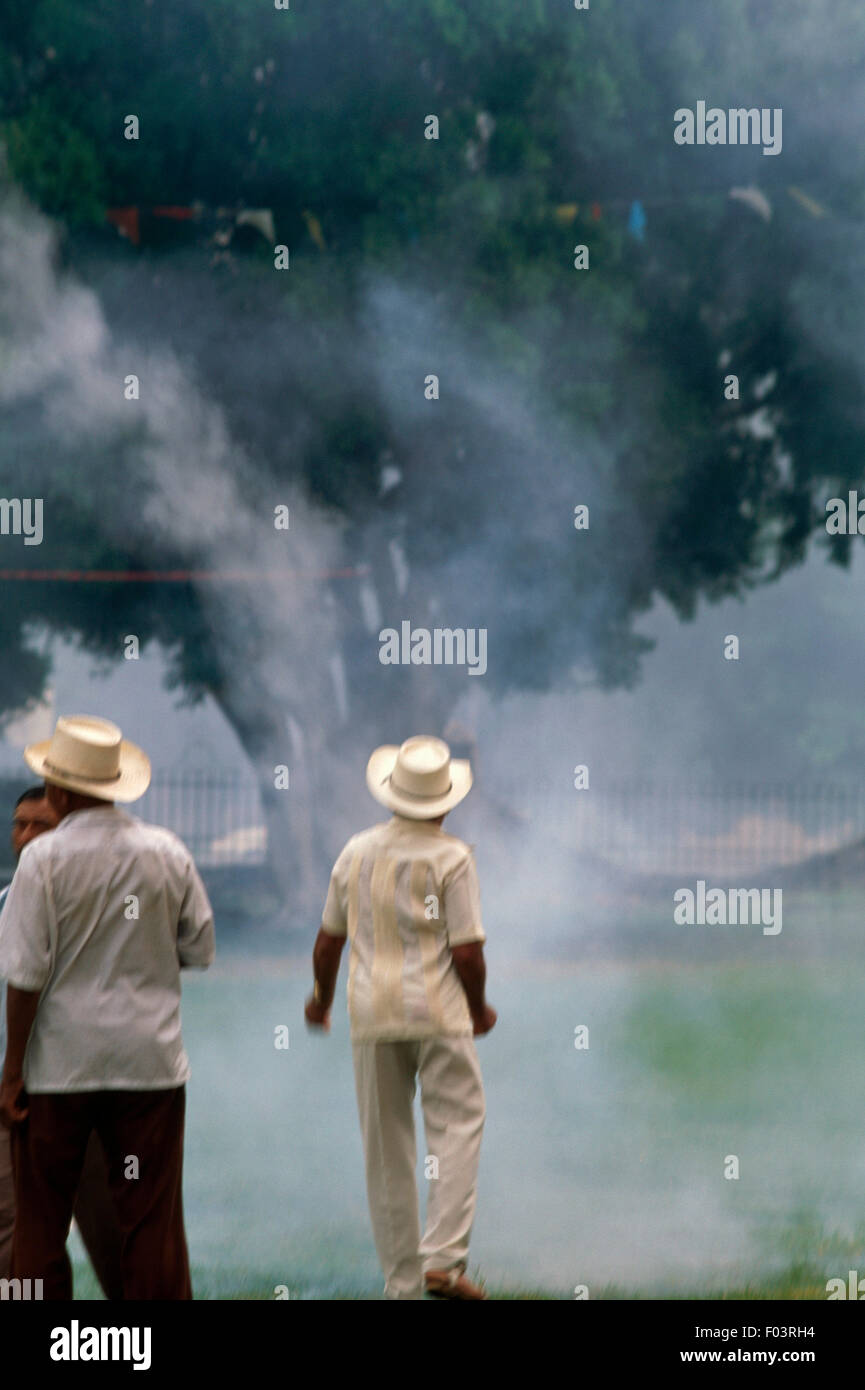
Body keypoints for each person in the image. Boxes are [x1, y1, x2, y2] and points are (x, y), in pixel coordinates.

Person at [0, 715, 215, 1300]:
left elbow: (23, 975)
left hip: (58, 1068)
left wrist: (13, 1068)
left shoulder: (41, 862)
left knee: (40, 1223)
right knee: (150, 1221)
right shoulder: (167, 851)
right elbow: (199, 946)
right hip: (149, 1065)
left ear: (61, 791)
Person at [305, 734, 496, 1300]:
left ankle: (403, 1284)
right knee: (458, 1125)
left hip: (372, 1014)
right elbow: (466, 951)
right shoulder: (453, 857)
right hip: (439, 1013)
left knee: (386, 1149)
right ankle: (443, 1258)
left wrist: (320, 998)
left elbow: (327, 942)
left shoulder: (356, 852)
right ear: (445, 801)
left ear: (393, 795)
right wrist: (479, 1008)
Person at [0, 787, 124, 1296]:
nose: (27, 837)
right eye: (20, 824)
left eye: (42, 826)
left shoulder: (101, 910)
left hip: (83, 1085)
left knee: (111, 1229)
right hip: (14, 1097)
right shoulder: (2, 904)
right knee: (14, 1230)